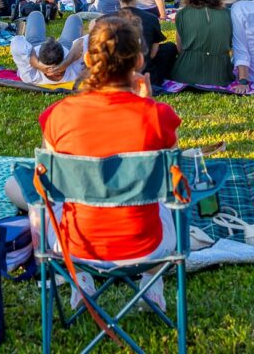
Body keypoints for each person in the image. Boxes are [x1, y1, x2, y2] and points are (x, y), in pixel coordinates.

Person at [37, 16, 180, 308]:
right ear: (139, 60)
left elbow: (43, 184)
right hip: (147, 246)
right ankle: (151, 287)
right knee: (167, 196)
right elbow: (177, 177)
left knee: (37, 197)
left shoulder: (59, 114)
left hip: (76, 245)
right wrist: (148, 106)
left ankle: (82, 282)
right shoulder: (158, 116)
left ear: (88, 59)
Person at [170, 0, 232, 87]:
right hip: (220, 74)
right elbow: (232, 45)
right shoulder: (228, 14)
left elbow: (180, 47)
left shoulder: (182, 13)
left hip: (186, 72)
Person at [10, 12, 86, 86]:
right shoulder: (75, 70)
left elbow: (17, 41)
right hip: (66, 49)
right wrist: (67, 62)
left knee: (36, 14)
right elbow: (84, 41)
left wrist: (37, 65)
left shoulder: (31, 76)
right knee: (74, 18)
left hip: (35, 46)